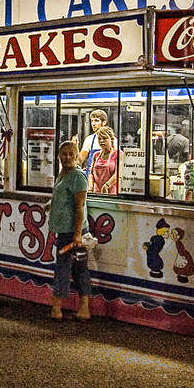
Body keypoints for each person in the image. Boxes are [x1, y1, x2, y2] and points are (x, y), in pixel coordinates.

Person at [49, 140, 92, 321]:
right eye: (63, 154)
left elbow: (80, 206)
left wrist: (77, 234)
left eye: (70, 154)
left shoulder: (77, 175)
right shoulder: (62, 173)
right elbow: (62, 198)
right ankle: (80, 308)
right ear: (58, 155)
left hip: (72, 232)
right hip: (64, 230)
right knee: (73, 268)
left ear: (76, 157)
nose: (66, 157)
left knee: (67, 269)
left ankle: (58, 308)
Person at [89, 126, 124, 194]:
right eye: (99, 139)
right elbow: (91, 174)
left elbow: (118, 174)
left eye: (104, 138)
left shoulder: (118, 153)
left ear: (111, 139)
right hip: (96, 192)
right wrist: (90, 187)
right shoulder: (96, 155)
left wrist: (106, 186)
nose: (101, 141)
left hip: (111, 192)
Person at [78, 109, 109, 175]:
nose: (93, 124)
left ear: (104, 122)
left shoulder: (112, 140)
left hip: (105, 177)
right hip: (90, 177)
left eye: (96, 121)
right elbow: (80, 160)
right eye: (92, 121)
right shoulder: (89, 139)